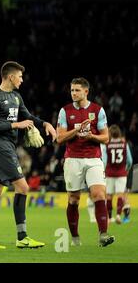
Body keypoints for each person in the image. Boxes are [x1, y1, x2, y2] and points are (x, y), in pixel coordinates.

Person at [0, 61, 56, 249]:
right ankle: (22, 237)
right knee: (23, 187)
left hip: (9, 147)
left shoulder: (16, 97)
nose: (22, 80)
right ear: (10, 76)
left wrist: (44, 124)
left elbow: (27, 117)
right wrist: (16, 125)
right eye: (20, 76)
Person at [56, 77, 115, 247]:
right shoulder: (65, 111)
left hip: (94, 158)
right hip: (73, 159)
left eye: (77, 90)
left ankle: (103, 234)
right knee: (74, 199)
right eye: (72, 90)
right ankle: (74, 236)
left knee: (99, 194)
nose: (73, 93)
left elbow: (105, 137)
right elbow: (60, 138)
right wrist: (76, 129)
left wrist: (91, 136)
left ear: (86, 92)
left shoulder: (98, 110)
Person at [101, 125, 133, 224]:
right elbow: (130, 161)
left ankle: (110, 218)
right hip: (121, 173)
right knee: (120, 195)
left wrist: (104, 171)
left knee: (109, 196)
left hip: (110, 173)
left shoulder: (107, 144)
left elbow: (105, 161)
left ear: (110, 133)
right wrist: (126, 169)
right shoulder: (124, 144)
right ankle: (118, 215)